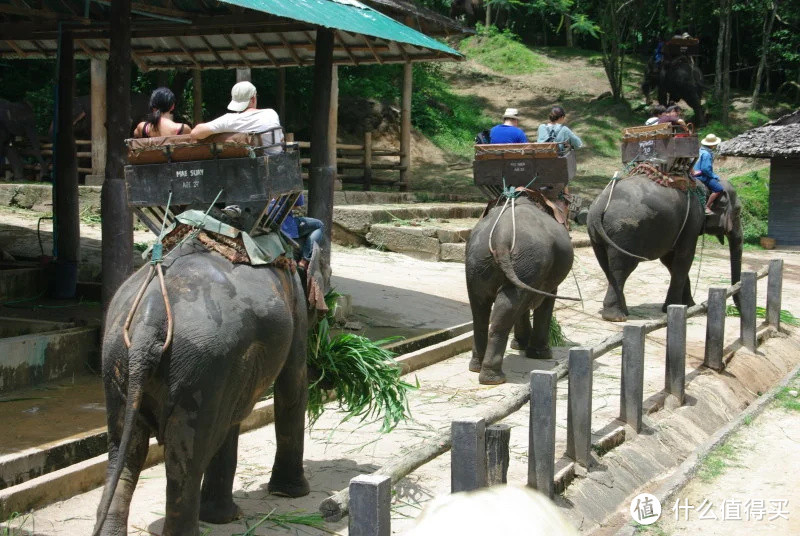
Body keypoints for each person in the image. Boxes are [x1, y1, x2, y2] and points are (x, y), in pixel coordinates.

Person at [191, 81, 284, 153]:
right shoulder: (271, 113)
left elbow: (195, 133)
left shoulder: (231, 119)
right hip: (278, 162)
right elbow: (281, 140)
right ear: (253, 98)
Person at [274, 194, 324, 271]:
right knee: (319, 224)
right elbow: (298, 204)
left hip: (270, 221)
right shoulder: (291, 184)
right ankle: (304, 260)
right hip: (283, 223)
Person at [692, 133, 724, 215]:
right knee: (718, 189)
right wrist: (714, 176)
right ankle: (707, 206)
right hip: (701, 176)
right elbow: (705, 169)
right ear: (713, 145)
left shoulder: (700, 150)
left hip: (694, 172)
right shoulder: (707, 154)